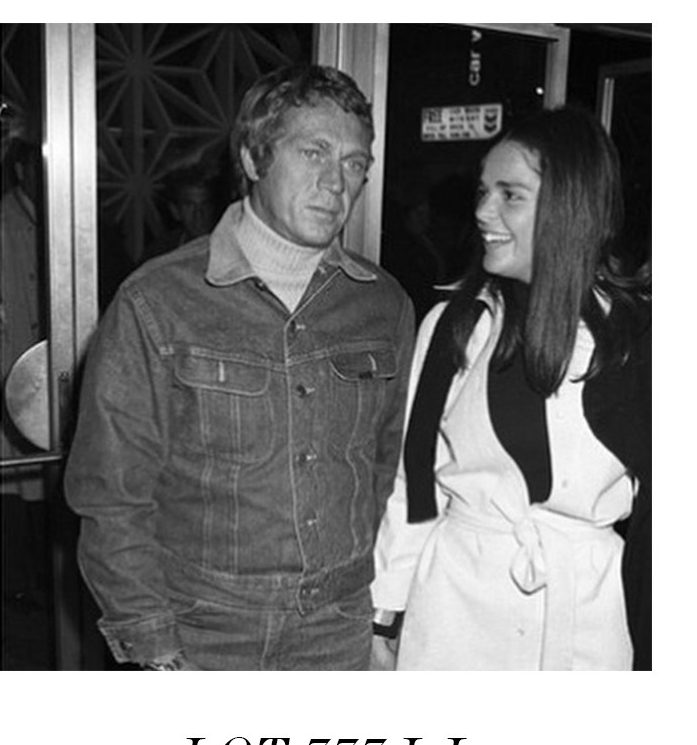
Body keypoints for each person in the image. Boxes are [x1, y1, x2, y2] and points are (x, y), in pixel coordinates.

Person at [64, 67, 413, 671]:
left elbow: (393, 471)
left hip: (341, 628)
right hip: (203, 631)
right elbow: (111, 497)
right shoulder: (159, 301)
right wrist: (155, 647)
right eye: (313, 153)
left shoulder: (383, 305)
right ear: (253, 158)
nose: (336, 182)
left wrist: (384, 617)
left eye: (355, 163)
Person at [373, 103, 651, 672]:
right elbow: (415, 485)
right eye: (483, 192)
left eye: (510, 195)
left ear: (569, 207)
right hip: (456, 610)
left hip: (592, 611)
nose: (482, 212)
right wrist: (383, 616)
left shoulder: (636, 335)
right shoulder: (456, 325)